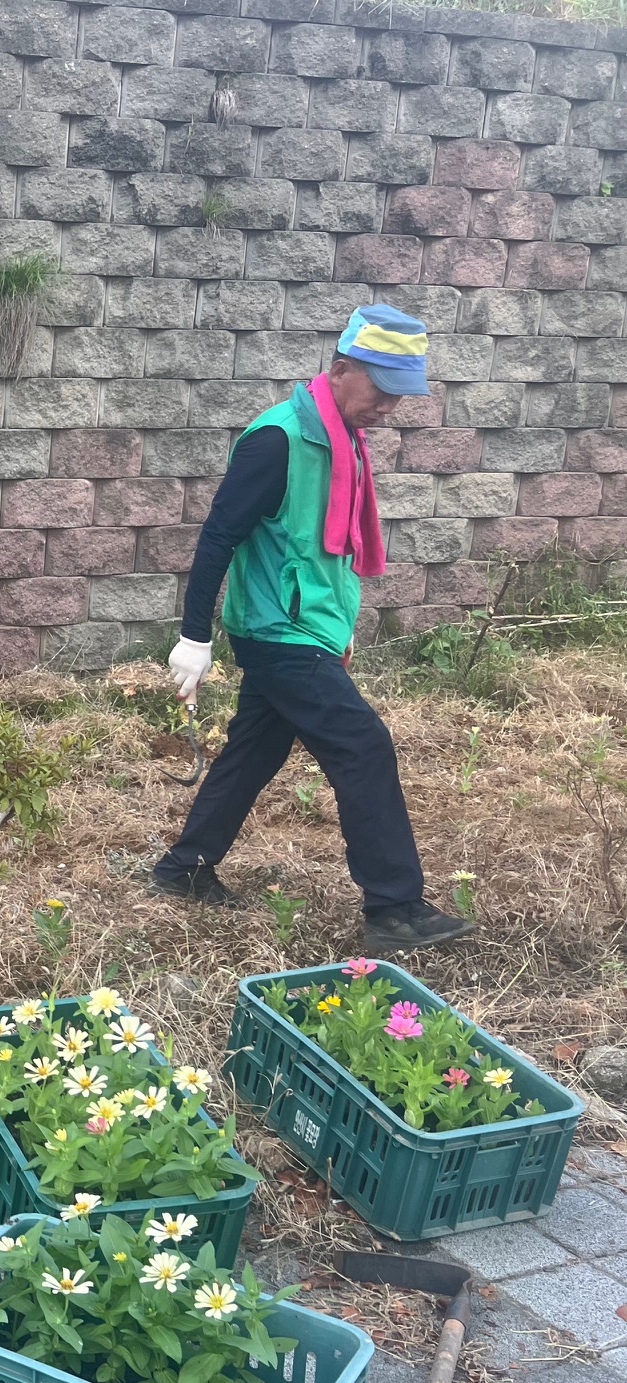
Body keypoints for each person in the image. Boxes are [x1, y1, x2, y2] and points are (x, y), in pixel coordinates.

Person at [152, 305, 475, 954]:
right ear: (343, 367)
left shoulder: (341, 437)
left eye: (399, 394)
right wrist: (194, 636)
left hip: (306, 629)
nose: (389, 406)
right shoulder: (277, 441)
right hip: (278, 632)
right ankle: (394, 909)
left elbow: (322, 550)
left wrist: (338, 624)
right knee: (364, 746)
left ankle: (184, 868)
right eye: (381, 388)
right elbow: (218, 537)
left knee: (256, 749)